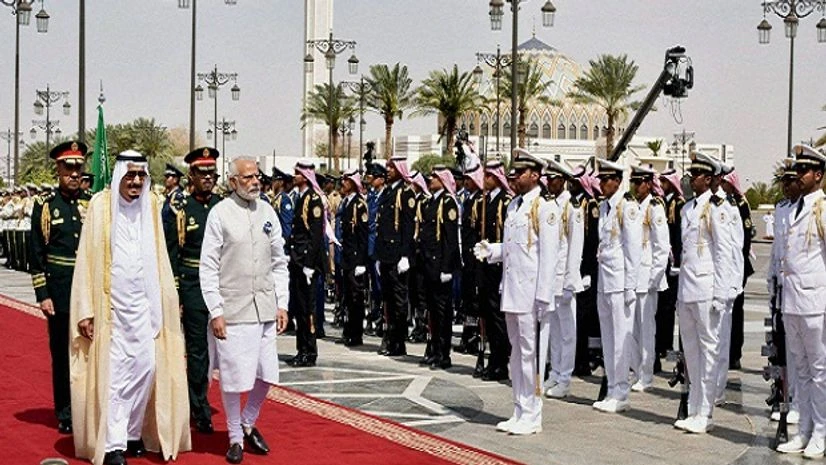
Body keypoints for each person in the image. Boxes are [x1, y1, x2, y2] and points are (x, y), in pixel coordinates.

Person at [70, 150, 190, 465]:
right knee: (116, 374)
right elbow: (85, 258)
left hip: (143, 305)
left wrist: (167, 299)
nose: (136, 181)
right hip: (109, 307)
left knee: (147, 368)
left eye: (141, 175)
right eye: (130, 175)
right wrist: (85, 308)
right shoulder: (100, 206)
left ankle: (132, 432)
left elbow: (161, 256)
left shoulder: (150, 205)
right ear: (119, 175)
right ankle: (112, 444)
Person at [200, 156, 290, 464]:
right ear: (233, 182)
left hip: (264, 307)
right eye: (248, 177)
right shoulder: (220, 214)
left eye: (257, 177)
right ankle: (235, 437)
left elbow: (279, 261)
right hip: (234, 309)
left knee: (267, 374)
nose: (255, 182)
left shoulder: (267, 212)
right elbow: (208, 266)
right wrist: (215, 310)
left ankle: (248, 420)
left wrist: (282, 303)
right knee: (233, 377)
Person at [474, 149, 559, 436]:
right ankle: (519, 408)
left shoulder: (545, 208)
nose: (515, 177)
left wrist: (544, 297)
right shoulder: (514, 207)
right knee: (516, 353)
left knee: (530, 354)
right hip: (511, 289)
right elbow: (515, 249)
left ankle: (533, 413)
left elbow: (549, 256)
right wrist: (493, 250)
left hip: (531, 293)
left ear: (535, 175)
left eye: (520, 172)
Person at [29, 141, 91, 434]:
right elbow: (36, 252)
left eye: (78, 168)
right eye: (69, 168)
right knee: (62, 353)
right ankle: (65, 412)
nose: (74, 174)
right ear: (58, 170)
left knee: (89, 351)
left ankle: (86, 405)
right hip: (60, 288)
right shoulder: (45, 205)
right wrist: (43, 295)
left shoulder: (91, 203)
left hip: (87, 289)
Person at [674, 151, 737, 434]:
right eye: (690, 174)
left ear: (709, 178)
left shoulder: (718, 208)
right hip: (687, 289)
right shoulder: (687, 209)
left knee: (708, 351)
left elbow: (724, 253)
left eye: (696, 175)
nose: (691, 179)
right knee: (692, 352)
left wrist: (721, 293)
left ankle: (706, 412)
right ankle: (694, 408)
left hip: (707, 288)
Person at [164, 147, 221, 434]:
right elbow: (171, 253)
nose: (208, 178)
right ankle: (199, 407)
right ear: (191, 175)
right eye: (202, 173)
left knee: (225, 351)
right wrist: (176, 294)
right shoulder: (179, 208)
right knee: (198, 351)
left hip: (223, 286)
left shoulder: (223, 206)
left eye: (212, 173)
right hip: (193, 284)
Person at [775, 145, 826, 458]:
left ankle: (821, 431)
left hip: (815, 301)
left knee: (820, 370)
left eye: (804, 171)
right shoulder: (793, 207)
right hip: (792, 300)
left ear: (818, 175)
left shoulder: (822, 208)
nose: (798, 176)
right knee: (801, 370)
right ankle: (804, 429)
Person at [592, 158, 642, 414]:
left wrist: (630, 287)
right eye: (600, 179)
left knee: (621, 339)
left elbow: (633, 249)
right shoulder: (605, 207)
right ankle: (612, 387)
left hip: (621, 283)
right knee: (609, 339)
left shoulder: (627, 206)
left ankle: (621, 391)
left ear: (617, 181)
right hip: (605, 281)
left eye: (606, 180)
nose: (602, 184)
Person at [542, 159, 584, 399]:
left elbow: (574, 247)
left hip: (564, 279)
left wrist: (571, 280)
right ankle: (555, 372)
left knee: (567, 331)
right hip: (552, 278)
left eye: (554, 179)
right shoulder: (551, 206)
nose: (550, 183)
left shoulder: (572, 207)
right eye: (548, 179)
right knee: (554, 330)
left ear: (564, 180)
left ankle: (565, 377)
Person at [627, 165, 669, 392]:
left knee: (646, 329)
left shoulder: (655, 208)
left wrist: (655, 277)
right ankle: (635, 369)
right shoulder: (634, 207)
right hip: (634, 276)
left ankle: (647, 374)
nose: (636, 187)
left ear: (648, 183)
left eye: (639, 183)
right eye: (634, 183)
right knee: (633, 329)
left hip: (647, 276)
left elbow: (662, 246)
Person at [416, 165, 461, 369]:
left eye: (434, 177)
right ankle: (433, 349)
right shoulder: (429, 202)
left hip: (440, 266)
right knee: (432, 312)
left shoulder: (448, 202)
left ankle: (444, 354)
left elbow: (450, 240)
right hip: (428, 265)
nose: (430, 179)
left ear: (442, 180)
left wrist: (447, 268)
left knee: (443, 313)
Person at [287, 160, 326, 367]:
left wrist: (310, 264)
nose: (294, 176)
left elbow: (315, 235)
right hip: (297, 260)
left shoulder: (313, 200)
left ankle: (309, 351)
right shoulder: (300, 198)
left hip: (307, 263)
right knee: (300, 307)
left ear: (305, 176)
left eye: (297, 173)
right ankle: (301, 348)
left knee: (308, 310)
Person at [375, 156, 416, 356]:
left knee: (399, 301)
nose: (388, 170)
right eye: (387, 166)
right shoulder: (388, 192)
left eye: (392, 167)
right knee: (388, 299)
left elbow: (408, 227)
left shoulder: (406, 193)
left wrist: (406, 255)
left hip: (398, 255)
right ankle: (390, 337)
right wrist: (378, 255)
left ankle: (398, 341)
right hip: (386, 255)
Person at [476, 160, 513, 382]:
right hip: (486, 266)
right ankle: (493, 360)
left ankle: (500, 362)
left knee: (499, 319)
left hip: (498, 267)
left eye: (488, 176)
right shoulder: (486, 200)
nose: (484, 180)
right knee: (489, 316)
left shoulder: (504, 201)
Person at [720, 165, 754, 371]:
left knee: (736, 312)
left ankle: (735, 353)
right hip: (725, 267)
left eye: (725, 183)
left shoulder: (741, 204)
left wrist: (737, 269)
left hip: (739, 266)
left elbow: (745, 240)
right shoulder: (722, 204)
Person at [655, 169, 685, 371]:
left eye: (665, 181)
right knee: (662, 307)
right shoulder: (663, 203)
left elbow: (679, 235)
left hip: (674, 262)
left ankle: (666, 344)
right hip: (664, 261)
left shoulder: (679, 204)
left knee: (669, 306)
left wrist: (677, 262)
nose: (663, 184)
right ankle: (663, 344)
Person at [337, 169, 369, 346]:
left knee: (356, 299)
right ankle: (349, 330)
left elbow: (362, 236)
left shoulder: (359, 204)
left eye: (346, 180)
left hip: (356, 259)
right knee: (348, 297)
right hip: (347, 257)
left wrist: (361, 262)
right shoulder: (346, 203)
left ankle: (356, 334)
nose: (343, 183)